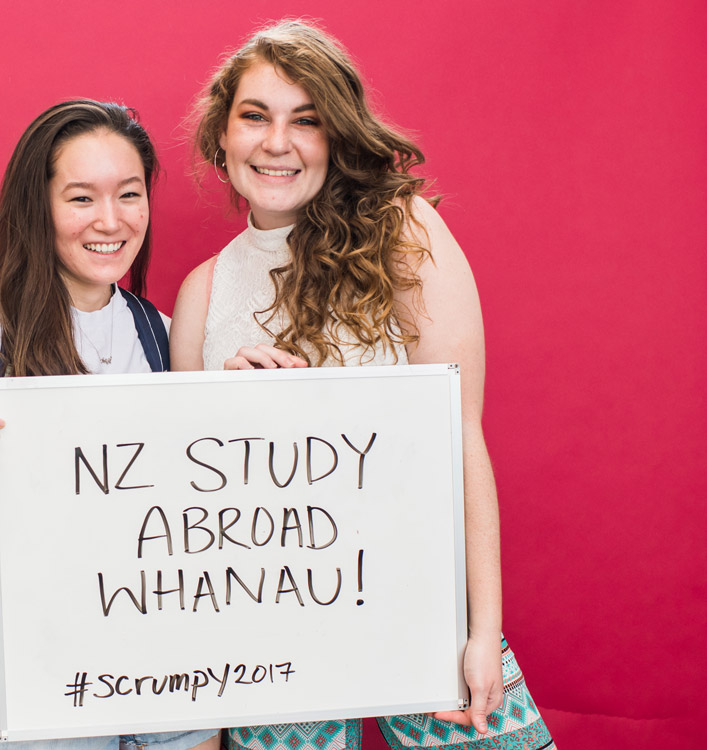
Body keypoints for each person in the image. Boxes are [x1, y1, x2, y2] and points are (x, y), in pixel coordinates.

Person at [171, 21, 554, 750]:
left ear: (337, 137)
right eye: (254, 116)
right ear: (222, 136)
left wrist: (479, 632)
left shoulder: (400, 232)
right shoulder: (203, 291)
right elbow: (198, 508)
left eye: (305, 120)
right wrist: (225, 404)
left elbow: (457, 434)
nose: (276, 143)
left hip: (415, 610)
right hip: (268, 642)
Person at [0, 100, 220, 750]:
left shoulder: (160, 333)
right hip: (42, 671)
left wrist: (251, 395)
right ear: (37, 207)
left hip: (174, 661)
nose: (110, 220)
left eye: (129, 194)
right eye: (80, 198)